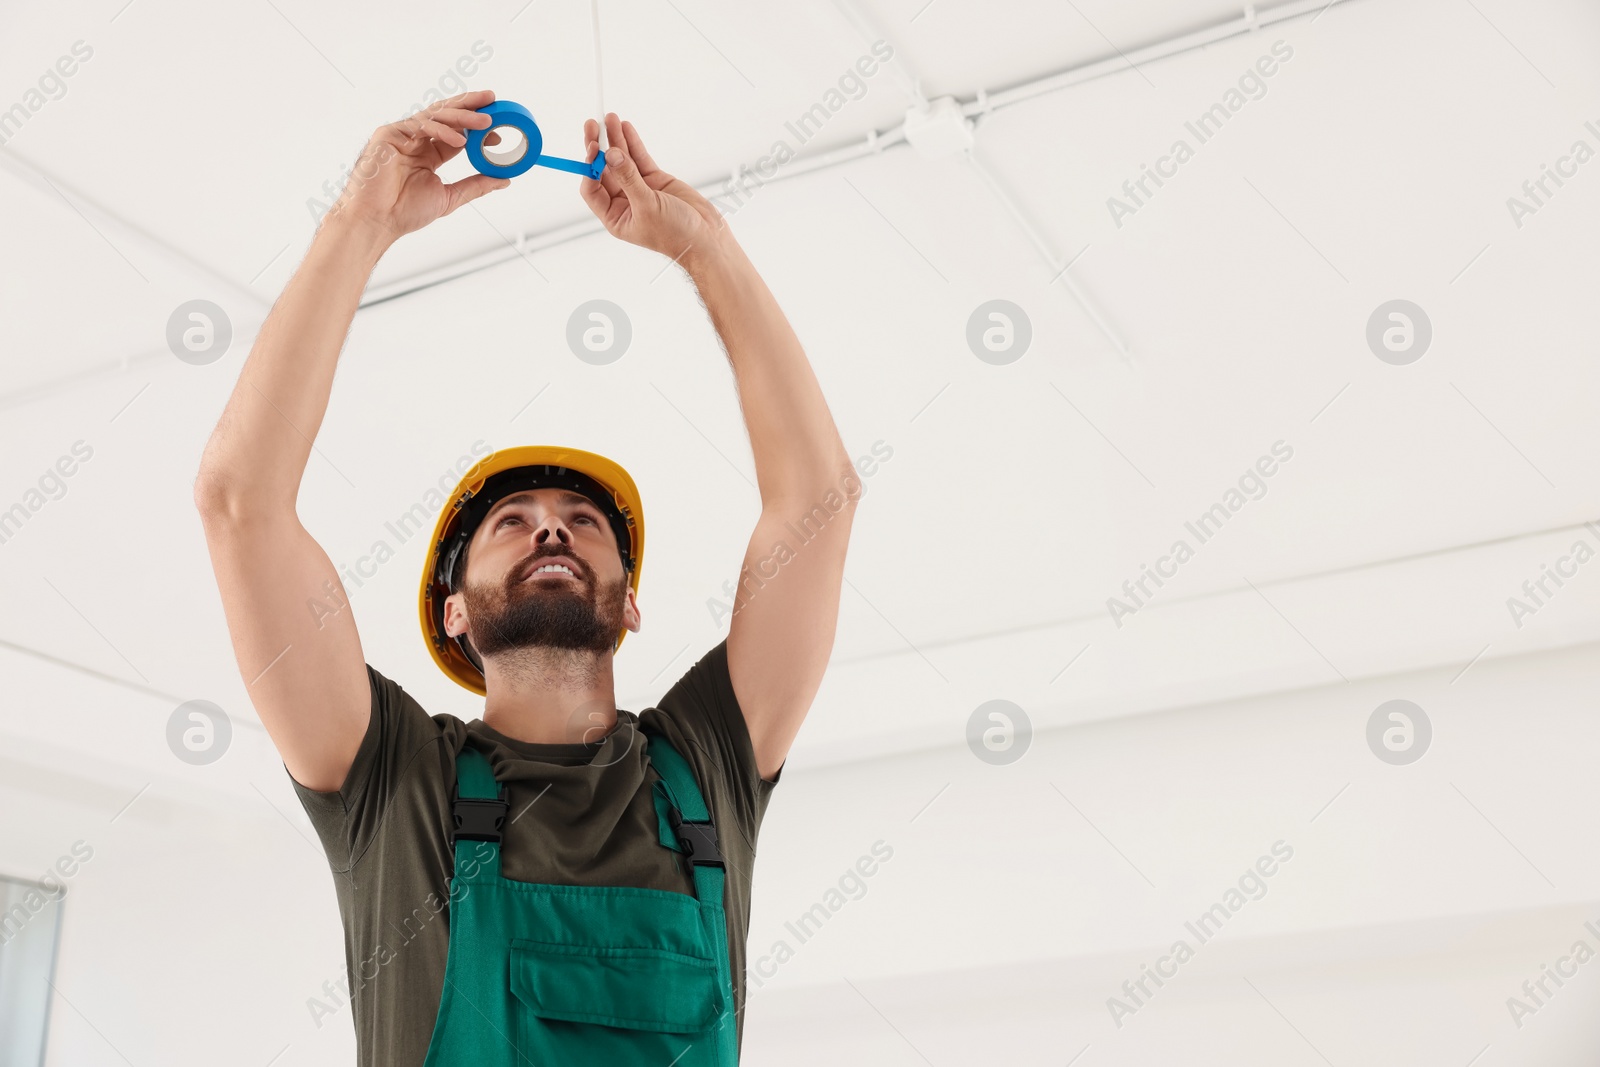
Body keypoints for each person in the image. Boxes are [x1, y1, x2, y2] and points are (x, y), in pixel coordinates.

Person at [192, 89, 860, 1066]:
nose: (550, 523)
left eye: (582, 521)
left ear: (629, 602)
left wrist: (704, 244)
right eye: (512, 521)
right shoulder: (393, 780)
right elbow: (238, 500)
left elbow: (820, 501)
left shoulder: (704, 766)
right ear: (453, 611)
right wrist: (360, 223)